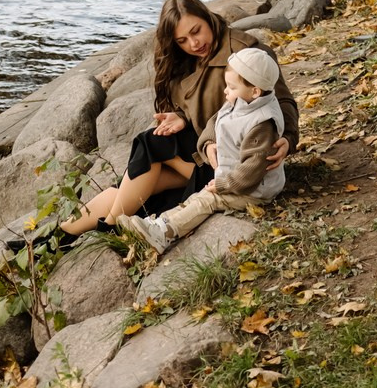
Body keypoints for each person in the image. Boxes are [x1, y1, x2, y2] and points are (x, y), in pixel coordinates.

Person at [61, 0, 297, 235]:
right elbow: (202, 109)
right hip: (204, 146)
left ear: (207, 17)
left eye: (196, 31)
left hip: (232, 160)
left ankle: (109, 226)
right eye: (182, 40)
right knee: (141, 177)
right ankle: (57, 237)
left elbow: (282, 101)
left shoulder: (247, 54)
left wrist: (288, 139)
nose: (193, 44)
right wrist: (181, 117)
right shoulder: (184, 59)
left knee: (148, 145)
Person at [121, 46, 286, 253]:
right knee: (197, 197)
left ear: (255, 91)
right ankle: (160, 224)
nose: (226, 91)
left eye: (231, 87)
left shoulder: (261, 123)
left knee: (208, 200)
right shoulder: (241, 101)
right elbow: (215, 120)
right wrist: (208, 142)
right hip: (232, 176)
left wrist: (224, 184)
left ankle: (164, 234)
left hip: (254, 189)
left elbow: (254, 167)